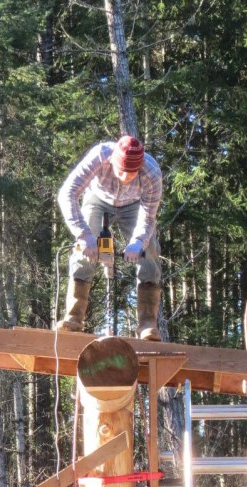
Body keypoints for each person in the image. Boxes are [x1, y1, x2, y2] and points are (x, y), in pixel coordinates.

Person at [56, 135, 163, 341]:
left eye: (132, 174)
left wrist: (138, 242)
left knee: (149, 251)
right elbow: (67, 194)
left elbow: (148, 216)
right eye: (122, 171)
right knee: (82, 253)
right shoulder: (99, 155)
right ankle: (73, 318)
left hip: (134, 204)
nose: (126, 178)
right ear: (113, 161)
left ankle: (148, 325)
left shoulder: (151, 172)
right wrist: (84, 234)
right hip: (98, 198)